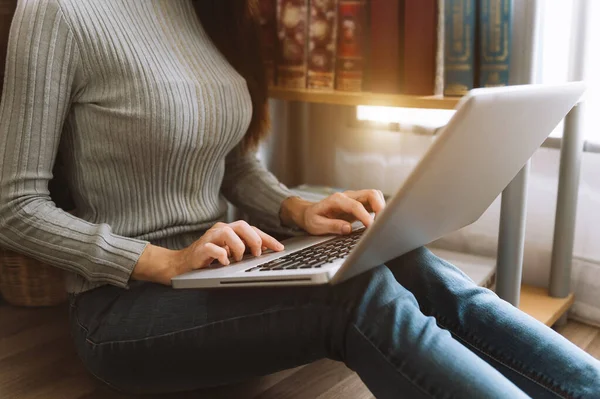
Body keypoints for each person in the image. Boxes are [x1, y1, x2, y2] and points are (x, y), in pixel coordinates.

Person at [0, 1, 598, 398]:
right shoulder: (58, 12)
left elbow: (230, 161)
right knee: (356, 296)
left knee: (402, 256)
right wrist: (164, 261)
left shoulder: (196, 11)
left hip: (223, 271)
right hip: (122, 308)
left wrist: (298, 211)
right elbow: (14, 208)